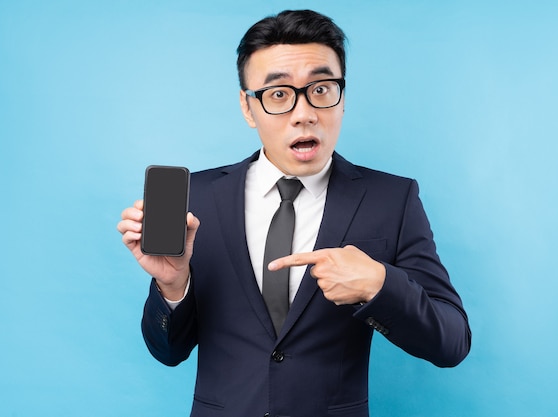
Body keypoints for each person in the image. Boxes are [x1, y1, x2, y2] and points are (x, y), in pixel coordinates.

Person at [118, 9, 471, 417]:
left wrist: (378, 284)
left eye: (321, 89)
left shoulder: (392, 199)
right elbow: (168, 352)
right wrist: (173, 286)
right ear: (248, 108)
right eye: (279, 94)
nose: (304, 113)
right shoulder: (195, 199)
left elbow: (452, 342)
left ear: (342, 96)